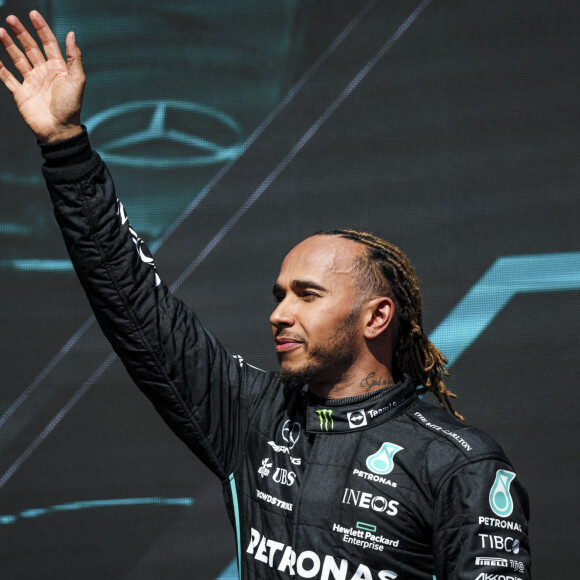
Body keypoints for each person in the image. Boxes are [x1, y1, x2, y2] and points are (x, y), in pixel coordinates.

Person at [0, 12, 531, 579]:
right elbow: (134, 303)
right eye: (280, 295)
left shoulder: (458, 462)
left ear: (377, 316)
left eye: (307, 295)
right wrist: (65, 149)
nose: (280, 313)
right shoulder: (251, 417)